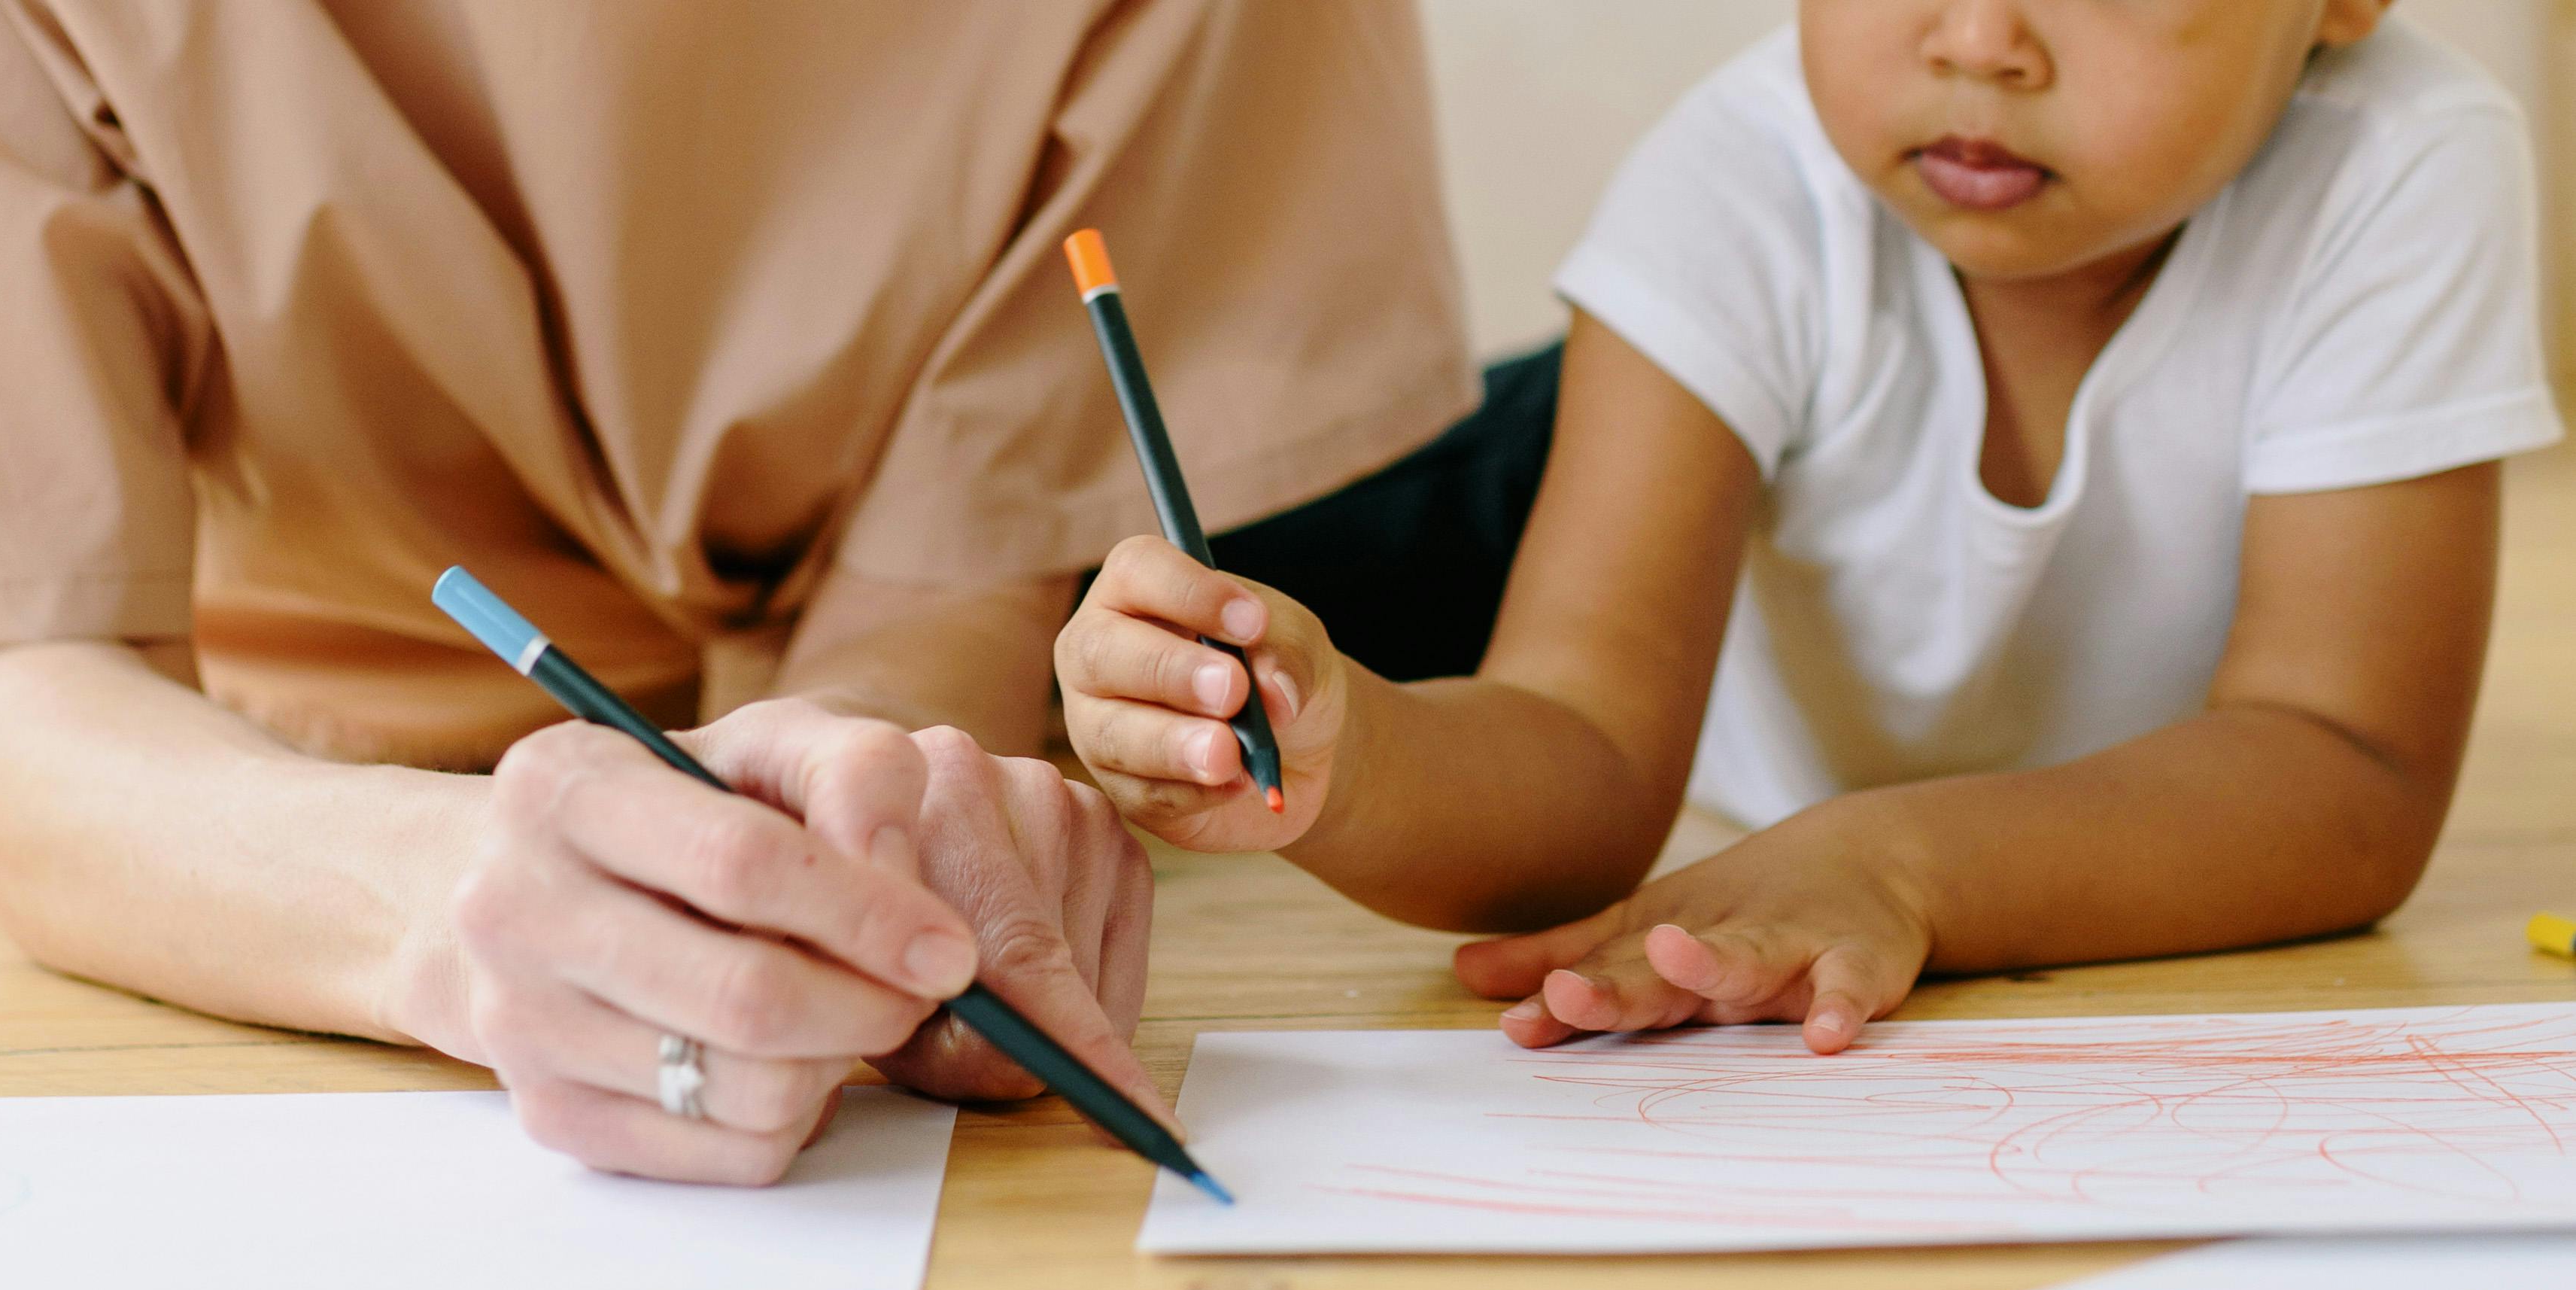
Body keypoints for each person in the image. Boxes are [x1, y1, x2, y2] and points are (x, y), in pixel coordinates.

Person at [0, 1, 1475, 1182]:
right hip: (262, 826)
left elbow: (953, 591)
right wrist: (442, 893)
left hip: (922, 732)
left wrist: (851, 809)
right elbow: (32, 698)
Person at [1059, 0, 2562, 1054]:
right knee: (1184, 596)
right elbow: (1575, 745)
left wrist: (1897, 864)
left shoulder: (2406, 160)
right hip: (1563, 456)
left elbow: (2345, 769)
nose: (1979, 39)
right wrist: (1348, 759)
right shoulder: (1736, 181)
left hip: (1829, 696)